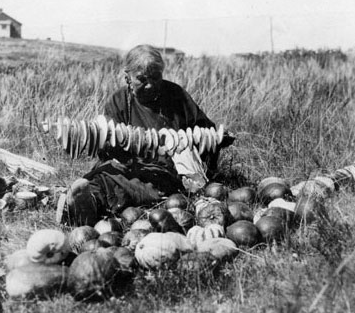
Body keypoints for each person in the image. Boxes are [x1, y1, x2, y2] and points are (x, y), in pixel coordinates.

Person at [57, 44, 233, 227]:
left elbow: (203, 130)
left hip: (165, 169)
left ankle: (93, 206)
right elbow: (107, 149)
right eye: (142, 79)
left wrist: (218, 138)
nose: (150, 85)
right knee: (104, 178)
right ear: (128, 77)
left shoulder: (176, 95)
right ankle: (84, 204)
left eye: (156, 77)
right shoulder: (118, 101)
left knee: (144, 187)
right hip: (131, 166)